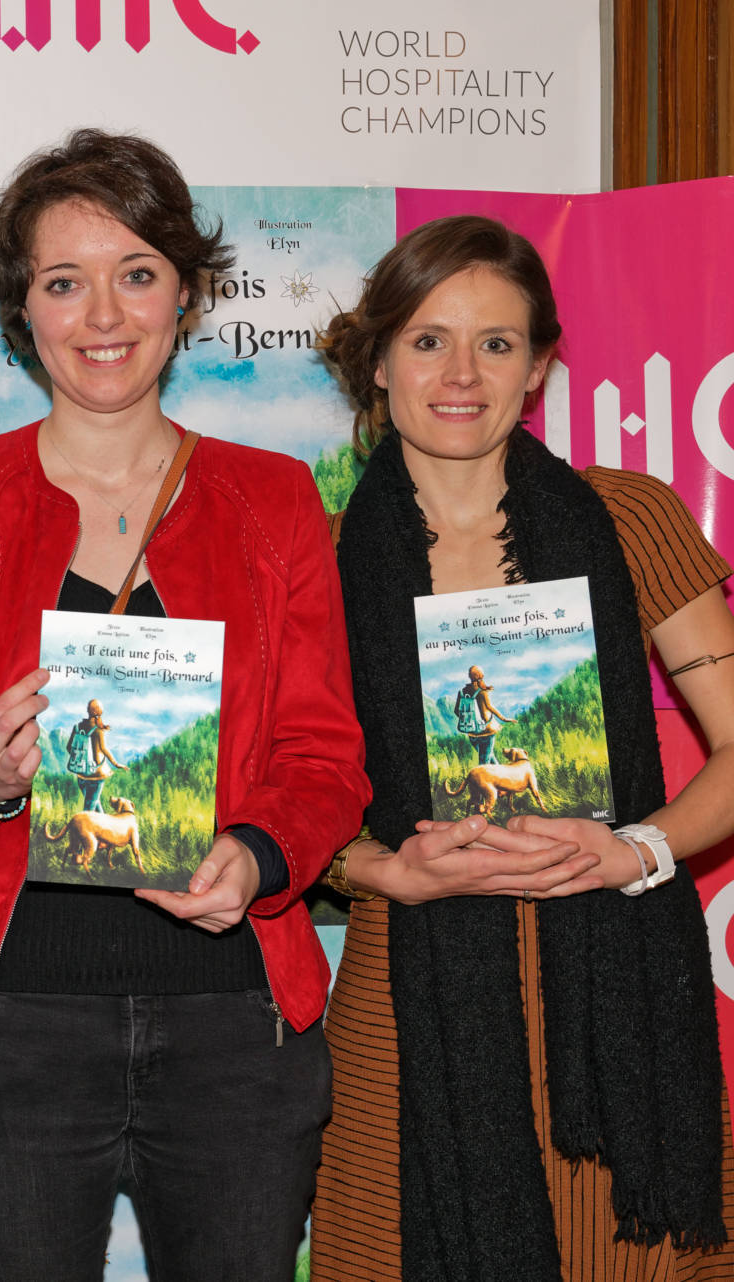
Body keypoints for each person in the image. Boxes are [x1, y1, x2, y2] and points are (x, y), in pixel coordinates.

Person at [0, 128, 370, 1281]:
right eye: (64, 281)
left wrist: (256, 854)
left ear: (186, 294)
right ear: (23, 310)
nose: (103, 313)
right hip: (11, 1030)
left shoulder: (274, 497)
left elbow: (325, 756)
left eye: (136, 273)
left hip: (236, 1028)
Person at [313, 214, 734, 1280]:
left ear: (540, 364)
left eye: (496, 344)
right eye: (427, 340)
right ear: (377, 361)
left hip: (613, 1011)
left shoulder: (626, 517)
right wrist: (386, 871)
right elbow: (272, 806)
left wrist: (635, 850)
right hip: (409, 1007)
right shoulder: (310, 557)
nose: (461, 373)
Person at [64, 698, 125, 810]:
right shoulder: (99, 730)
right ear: (98, 712)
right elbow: (104, 749)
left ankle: (105, 827)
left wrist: (80, 760)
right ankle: (80, 827)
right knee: (89, 809)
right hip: (96, 774)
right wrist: (116, 764)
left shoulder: (77, 727)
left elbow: (69, 748)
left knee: (95, 804)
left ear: (88, 710)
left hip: (81, 774)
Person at [457, 663, 509, 763]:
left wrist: (470, 720)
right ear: (478, 676)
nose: (483, 675)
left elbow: (457, 711)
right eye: (481, 674)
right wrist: (503, 718)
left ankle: (502, 776)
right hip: (486, 732)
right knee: (484, 763)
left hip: (471, 732)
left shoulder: (462, 692)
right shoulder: (482, 691)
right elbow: (490, 707)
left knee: (490, 757)